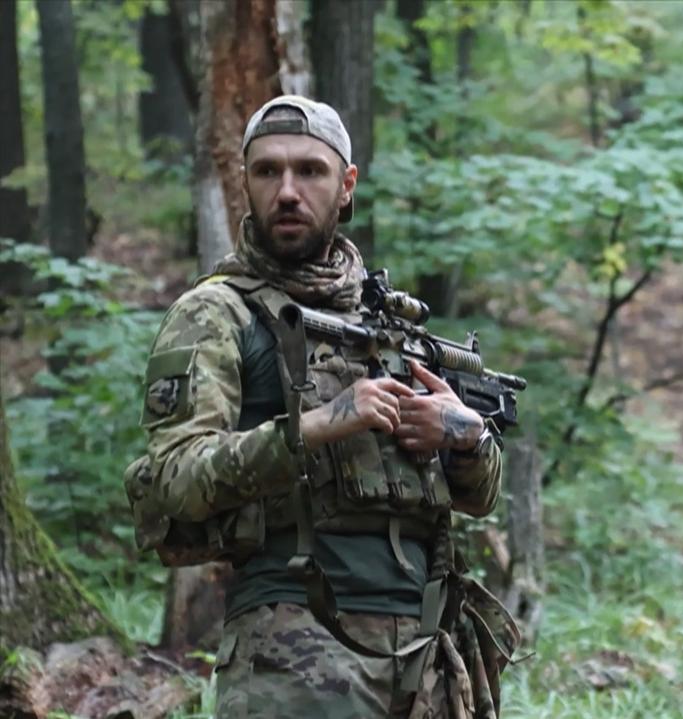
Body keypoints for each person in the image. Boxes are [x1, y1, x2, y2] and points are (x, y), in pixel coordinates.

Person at [131, 95, 514, 718]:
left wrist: (465, 437)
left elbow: (480, 496)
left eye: (309, 170)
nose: (288, 190)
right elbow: (176, 477)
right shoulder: (216, 313)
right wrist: (324, 423)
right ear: (245, 185)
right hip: (293, 647)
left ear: (346, 186)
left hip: (427, 656)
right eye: (268, 171)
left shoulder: (392, 323)